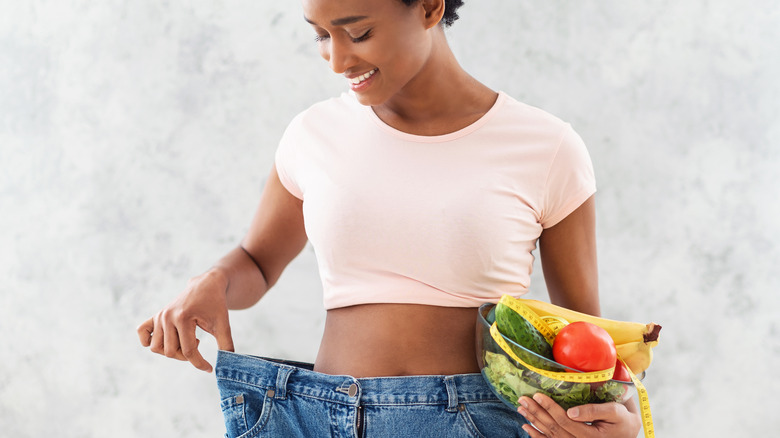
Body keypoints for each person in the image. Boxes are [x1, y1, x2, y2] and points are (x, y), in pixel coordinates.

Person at [137, 0, 643, 436]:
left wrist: (620, 421)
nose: (337, 59)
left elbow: (586, 338)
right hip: (312, 417)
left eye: (358, 33)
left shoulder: (546, 147)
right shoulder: (313, 134)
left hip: (475, 419)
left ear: (429, 7)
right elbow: (258, 261)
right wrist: (214, 281)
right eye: (320, 35)